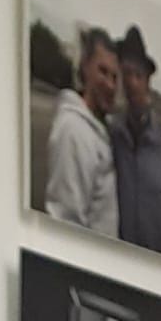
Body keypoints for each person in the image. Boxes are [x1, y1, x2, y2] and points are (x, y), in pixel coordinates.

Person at [111, 26, 161, 259]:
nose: (131, 83)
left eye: (138, 75)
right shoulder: (112, 136)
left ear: (147, 81)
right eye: (126, 74)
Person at [44, 27, 119, 237]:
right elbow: (66, 222)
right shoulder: (73, 131)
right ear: (85, 68)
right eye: (102, 72)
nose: (111, 85)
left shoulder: (99, 128)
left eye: (115, 77)